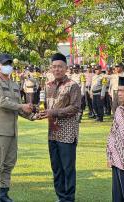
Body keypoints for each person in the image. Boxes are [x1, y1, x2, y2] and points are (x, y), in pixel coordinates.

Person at [0, 53, 35, 202]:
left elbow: (18, 109)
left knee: (9, 164)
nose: (8, 66)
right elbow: (1, 102)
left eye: (10, 64)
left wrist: (31, 116)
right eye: (5, 63)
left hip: (12, 131)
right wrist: (22, 106)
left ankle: (4, 193)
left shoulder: (14, 85)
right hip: (0, 130)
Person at [39, 53, 81, 202]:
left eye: (60, 67)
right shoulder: (48, 85)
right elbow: (46, 106)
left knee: (68, 169)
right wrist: (38, 112)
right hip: (52, 133)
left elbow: (75, 108)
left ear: (66, 68)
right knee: (56, 168)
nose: (57, 69)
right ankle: (61, 197)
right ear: (51, 68)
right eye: (54, 67)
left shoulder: (73, 85)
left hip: (67, 134)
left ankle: (69, 198)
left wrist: (53, 112)